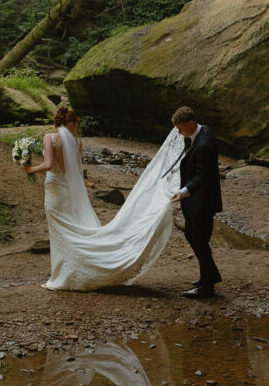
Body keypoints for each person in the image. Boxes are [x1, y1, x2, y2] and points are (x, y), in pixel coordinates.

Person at [21, 105, 181, 291]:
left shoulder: (50, 138)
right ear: (70, 123)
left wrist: (30, 168)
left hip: (55, 189)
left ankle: (63, 273)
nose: (76, 129)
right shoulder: (77, 142)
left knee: (60, 230)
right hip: (69, 191)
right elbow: (74, 171)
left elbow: (48, 165)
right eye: (76, 126)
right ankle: (77, 269)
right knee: (72, 227)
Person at [170, 106, 223, 299]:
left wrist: (184, 192)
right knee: (193, 236)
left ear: (191, 124)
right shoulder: (201, 132)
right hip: (197, 199)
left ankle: (208, 286)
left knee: (198, 239)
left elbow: (204, 175)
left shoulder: (205, 144)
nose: (178, 132)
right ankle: (208, 276)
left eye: (181, 128)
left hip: (203, 200)